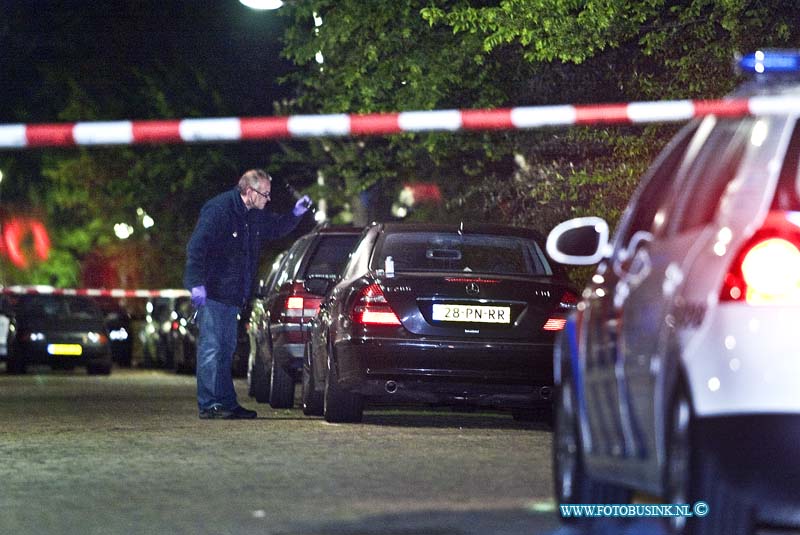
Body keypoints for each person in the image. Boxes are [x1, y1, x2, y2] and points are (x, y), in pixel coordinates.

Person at [184, 169, 311, 419]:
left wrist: (296, 213)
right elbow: (196, 247)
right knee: (212, 348)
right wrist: (196, 283)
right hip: (213, 292)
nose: (268, 199)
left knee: (226, 349)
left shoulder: (253, 216)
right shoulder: (219, 210)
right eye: (265, 194)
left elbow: (275, 228)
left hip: (232, 296)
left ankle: (226, 403)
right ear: (250, 192)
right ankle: (210, 404)